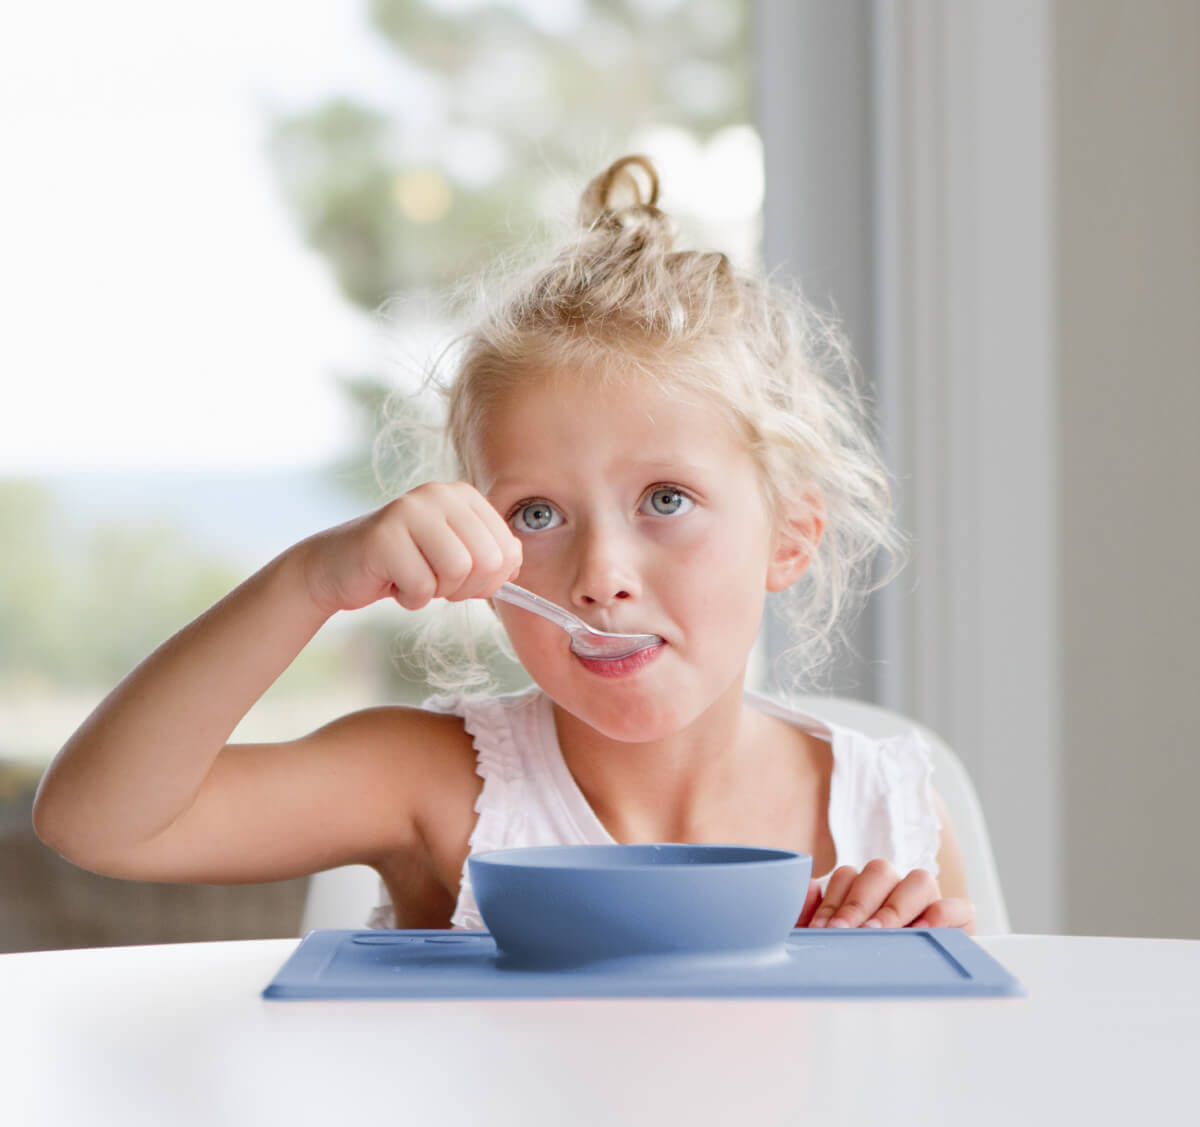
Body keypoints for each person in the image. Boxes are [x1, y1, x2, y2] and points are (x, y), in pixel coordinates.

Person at [33, 156, 976, 935]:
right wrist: (308, 582)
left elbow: (952, 1089)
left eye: (666, 499)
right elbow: (98, 823)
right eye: (536, 515)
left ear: (792, 537)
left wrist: (919, 971)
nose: (601, 578)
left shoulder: (884, 812)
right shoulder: (431, 782)